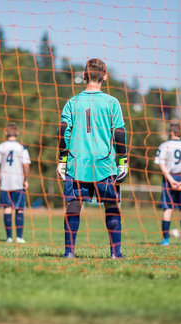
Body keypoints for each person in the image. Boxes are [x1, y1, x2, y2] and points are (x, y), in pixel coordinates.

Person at [57, 58, 128, 259]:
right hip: (104, 164)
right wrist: (123, 161)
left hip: (77, 163)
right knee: (112, 206)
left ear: (84, 75)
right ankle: (115, 253)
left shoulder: (73, 102)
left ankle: (69, 252)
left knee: (73, 204)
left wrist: (62, 161)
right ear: (105, 76)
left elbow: (63, 132)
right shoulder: (112, 102)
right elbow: (120, 133)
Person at [154, 123, 181, 246]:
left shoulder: (164, 145)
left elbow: (161, 163)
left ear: (171, 133)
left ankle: (165, 240)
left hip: (169, 177)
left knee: (167, 209)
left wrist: (170, 180)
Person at [0, 122, 31, 243]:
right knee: (19, 208)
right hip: (18, 181)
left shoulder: (1, 146)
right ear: (17, 133)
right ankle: (19, 237)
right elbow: (26, 164)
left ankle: (9, 237)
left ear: (6, 133)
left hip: (5, 182)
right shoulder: (21, 147)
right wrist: (26, 179)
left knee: (7, 208)